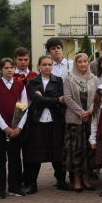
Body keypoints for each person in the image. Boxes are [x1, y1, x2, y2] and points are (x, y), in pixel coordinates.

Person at [0, 57, 28, 199]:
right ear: (1, 70)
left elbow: (24, 106)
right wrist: (4, 127)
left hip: (16, 129)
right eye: (6, 68)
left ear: (15, 69)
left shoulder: (20, 86)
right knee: (0, 159)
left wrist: (19, 127)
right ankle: (1, 189)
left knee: (15, 158)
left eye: (12, 67)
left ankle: (15, 187)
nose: (9, 70)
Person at [25, 55, 67, 194]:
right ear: (39, 66)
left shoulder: (58, 81)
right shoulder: (32, 82)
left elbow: (63, 100)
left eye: (50, 64)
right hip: (38, 121)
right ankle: (32, 184)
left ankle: (61, 181)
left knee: (58, 154)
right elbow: (35, 100)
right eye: (44, 64)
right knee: (35, 155)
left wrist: (42, 98)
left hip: (55, 121)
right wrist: (55, 99)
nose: (47, 67)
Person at [63, 52, 99, 192]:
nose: (83, 64)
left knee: (90, 150)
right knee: (76, 150)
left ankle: (87, 179)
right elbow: (68, 98)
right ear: (76, 64)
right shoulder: (69, 78)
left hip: (90, 120)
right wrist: (80, 113)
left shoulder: (94, 79)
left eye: (85, 61)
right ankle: (77, 180)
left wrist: (89, 112)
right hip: (74, 120)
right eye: (80, 62)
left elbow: (97, 98)